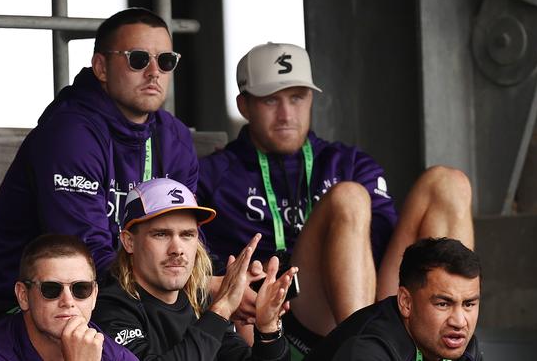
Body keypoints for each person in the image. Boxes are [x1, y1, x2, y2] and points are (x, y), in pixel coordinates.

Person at [197, 42, 474, 356]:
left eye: (297, 97)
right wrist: (228, 282)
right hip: (280, 316)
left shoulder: (348, 162)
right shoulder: (211, 174)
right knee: (348, 196)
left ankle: (447, 349)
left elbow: (389, 245)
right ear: (244, 106)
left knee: (448, 183)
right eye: (271, 100)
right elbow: (189, 260)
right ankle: (363, 354)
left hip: (371, 300)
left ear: (311, 98)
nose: (286, 114)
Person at [0, 7, 199, 340]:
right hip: (31, 309)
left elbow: (190, 238)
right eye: (139, 59)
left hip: (124, 300)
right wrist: (204, 288)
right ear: (101, 67)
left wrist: (224, 282)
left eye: (166, 61)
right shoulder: (69, 134)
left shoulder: (175, 137)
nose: (154, 72)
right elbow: (85, 258)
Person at [92, 177, 296, 360]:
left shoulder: (197, 301)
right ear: (129, 242)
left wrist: (268, 329)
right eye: (161, 234)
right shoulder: (109, 307)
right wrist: (222, 307)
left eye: (187, 235)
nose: (177, 249)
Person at [0, 234, 138, 361]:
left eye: (81, 289)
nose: (68, 301)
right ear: (23, 296)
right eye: (51, 289)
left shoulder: (111, 352)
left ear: (94, 296)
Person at [304, 237, 482, 361]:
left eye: (469, 304)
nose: (459, 322)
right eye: (443, 304)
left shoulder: (463, 347)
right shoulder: (366, 350)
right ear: (406, 302)